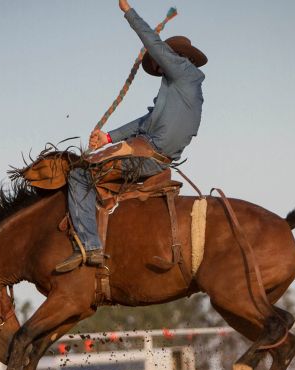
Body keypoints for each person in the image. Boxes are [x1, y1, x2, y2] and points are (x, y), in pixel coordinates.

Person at [55, 0, 207, 273]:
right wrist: (108, 138)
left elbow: (153, 43)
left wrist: (128, 12)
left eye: (162, 60)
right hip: (155, 156)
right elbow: (145, 122)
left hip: (146, 156)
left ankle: (89, 246)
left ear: (175, 58)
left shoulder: (183, 74)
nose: (159, 66)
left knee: (79, 173)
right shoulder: (184, 92)